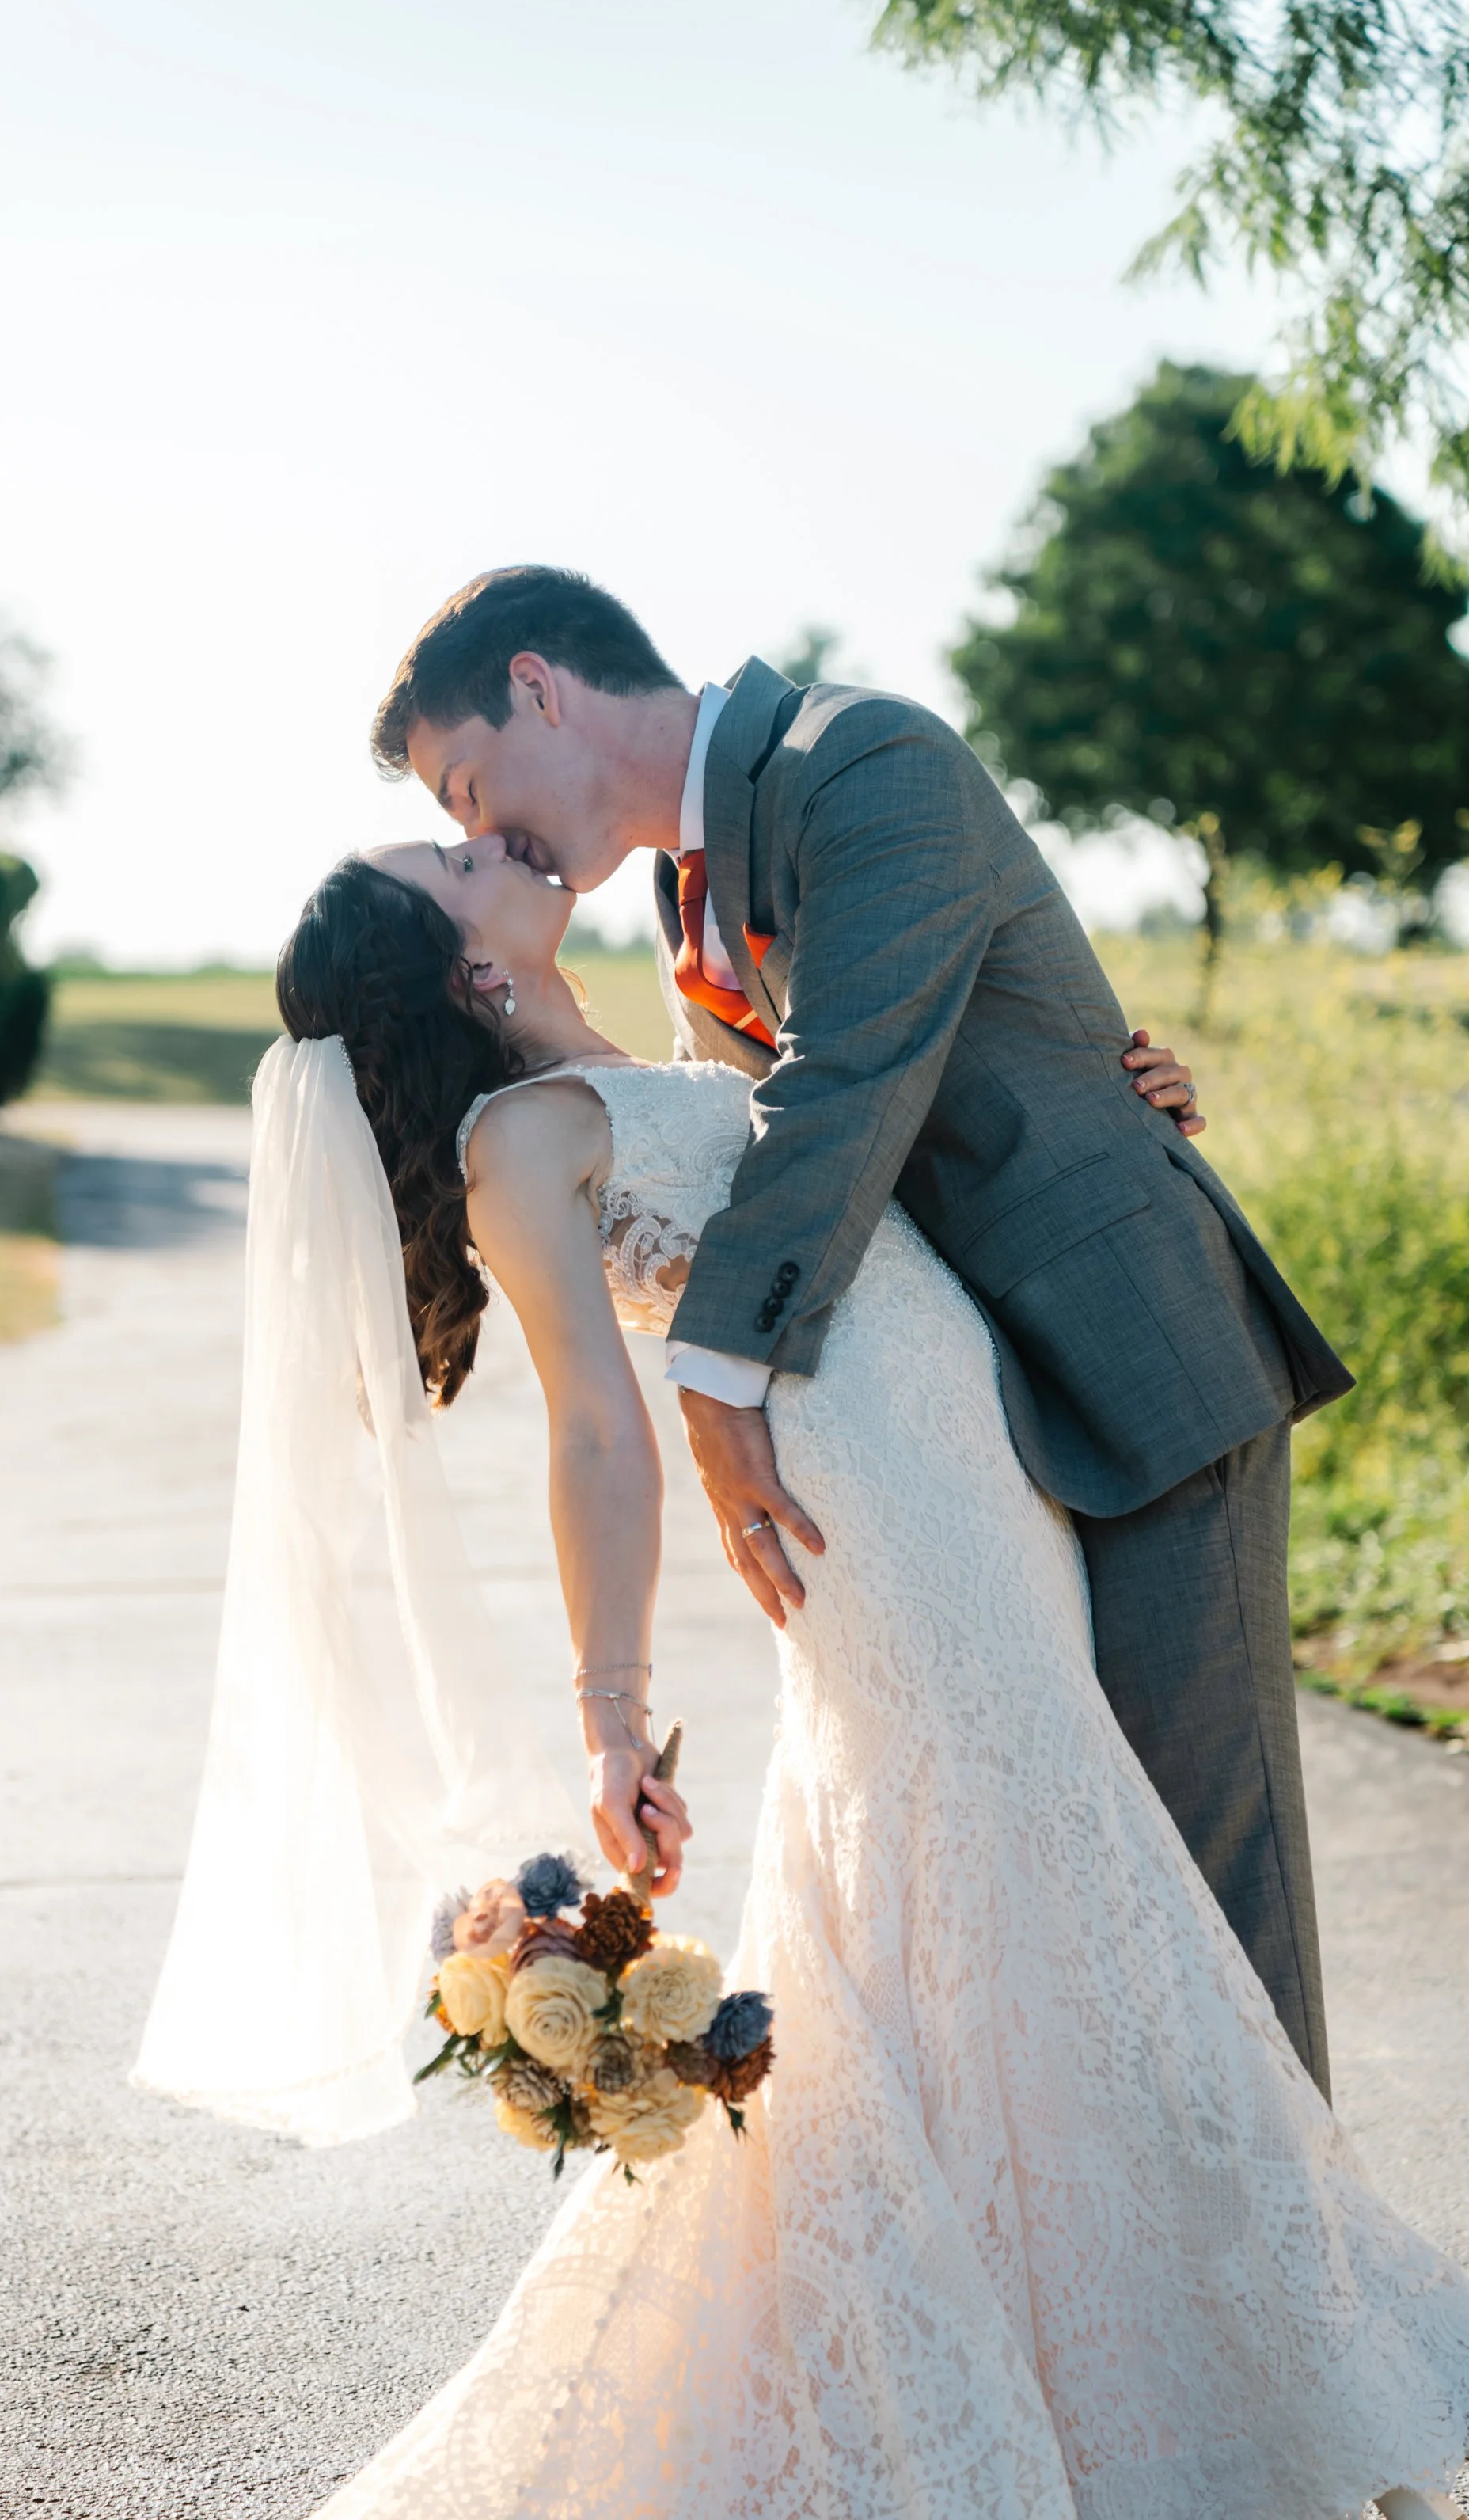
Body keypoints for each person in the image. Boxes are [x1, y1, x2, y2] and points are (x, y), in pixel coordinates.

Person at [172, 837, 1467, 2520]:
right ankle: (1126, 2386)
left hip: (974, 1487)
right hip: (874, 1529)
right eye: (446, 857)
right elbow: (592, 1429)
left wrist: (1117, 1095)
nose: (481, 841)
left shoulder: (652, 1041)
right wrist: (613, 1710)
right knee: (1029, 1870)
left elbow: (878, 1149)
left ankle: (1087, 2351)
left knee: (991, 1903)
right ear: (461, 974)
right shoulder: (518, 1141)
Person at [370, 565, 1355, 2104]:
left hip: (1130, 1363)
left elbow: (839, 1087)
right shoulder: (677, 892)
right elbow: (757, 1146)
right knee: (1062, 1885)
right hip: (961, 1445)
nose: (487, 832)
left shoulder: (862, 759)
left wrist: (710, 1377)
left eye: (472, 781)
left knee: (1203, 1886)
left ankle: (1292, 2307)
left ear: (542, 685)